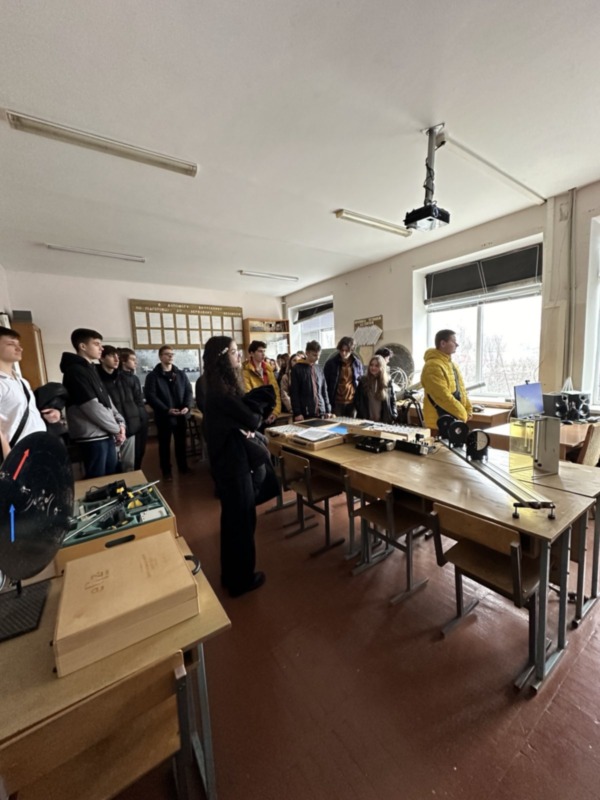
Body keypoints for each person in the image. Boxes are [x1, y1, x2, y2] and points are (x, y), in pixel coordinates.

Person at [203, 335, 271, 597]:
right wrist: (256, 410)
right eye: (233, 352)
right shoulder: (221, 393)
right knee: (242, 520)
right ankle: (241, 580)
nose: (239, 355)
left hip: (228, 463)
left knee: (233, 520)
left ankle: (230, 575)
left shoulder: (217, 387)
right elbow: (252, 419)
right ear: (222, 358)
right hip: (233, 465)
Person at [60, 328, 125, 478]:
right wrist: (116, 429)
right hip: (92, 436)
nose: (101, 348)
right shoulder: (75, 371)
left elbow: (107, 400)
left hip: (106, 433)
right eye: (96, 344)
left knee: (112, 476)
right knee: (97, 480)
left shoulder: (91, 368)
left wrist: (120, 423)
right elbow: (91, 406)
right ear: (83, 346)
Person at [0, 325, 62, 459]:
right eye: (11, 344)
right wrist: (8, 458)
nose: (19, 348)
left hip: (37, 446)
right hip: (16, 452)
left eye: (19, 344)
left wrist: (49, 415)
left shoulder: (21, 381)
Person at [144, 345, 193, 480]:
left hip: (181, 415)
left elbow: (188, 391)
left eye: (172, 354)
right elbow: (151, 396)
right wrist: (166, 409)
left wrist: (187, 406)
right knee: (164, 445)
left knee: (181, 443)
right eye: (167, 354)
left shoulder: (180, 374)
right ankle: (166, 471)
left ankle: (183, 467)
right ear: (160, 357)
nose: (170, 356)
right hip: (164, 416)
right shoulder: (153, 376)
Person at [96, 345, 142, 472]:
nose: (117, 359)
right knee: (111, 467)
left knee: (129, 465)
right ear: (102, 358)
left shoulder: (124, 378)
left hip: (129, 426)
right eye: (112, 356)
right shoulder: (96, 379)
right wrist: (116, 427)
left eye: (117, 356)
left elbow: (134, 401)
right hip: (110, 429)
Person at [421, 329, 472, 429]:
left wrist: (468, 409)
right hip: (439, 422)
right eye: (454, 341)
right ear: (443, 343)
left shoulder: (453, 365)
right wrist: (463, 414)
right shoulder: (432, 366)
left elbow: (462, 390)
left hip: (454, 418)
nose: (457, 344)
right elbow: (442, 396)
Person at [118, 348, 149, 471]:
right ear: (123, 361)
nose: (136, 362)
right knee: (131, 456)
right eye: (132, 359)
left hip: (141, 418)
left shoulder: (135, 378)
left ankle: (137, 473)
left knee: (141, 451)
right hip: (130, 421)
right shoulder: (118, 378)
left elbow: (139, 399)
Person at [290, 340, 333, 421]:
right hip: (305, 412)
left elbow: (324, 391)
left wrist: (328, 410)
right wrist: (297, 412)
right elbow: (294, 393)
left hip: (321, 411)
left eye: (319, 355)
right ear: (307, 353)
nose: (317, 358)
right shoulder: (297, 369)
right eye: (314, 355)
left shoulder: (319, 368)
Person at [242, 340, 281, 424]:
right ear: (252, 353)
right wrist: (263, 415)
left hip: (271, 412)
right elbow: (248, 396)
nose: (263, 354)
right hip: (256, 415)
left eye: (264, 351)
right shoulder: (245, 371)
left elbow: (276, 392)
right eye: (260, 351)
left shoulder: (268, 369)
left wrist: (275, 412)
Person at [323, 336, 363, 417]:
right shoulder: (331, 363)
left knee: (351, 424)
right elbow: (325, 385)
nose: (343, 353)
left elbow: (360, 382)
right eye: (341, 350)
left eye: (346, 351)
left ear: (352, 350)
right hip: (336, 402)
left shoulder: (357, 363)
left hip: (352, 402)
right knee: (335, 424)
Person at [355, 355, 398, 423]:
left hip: (382, 420)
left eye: (376, 366)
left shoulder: (388, 382)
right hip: (365, 419)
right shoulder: (363, 381)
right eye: (371, 365)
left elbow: (393, 400)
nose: (373, 368)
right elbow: (357, 399)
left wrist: (393, 415)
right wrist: (361, 412)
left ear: (382, 367)